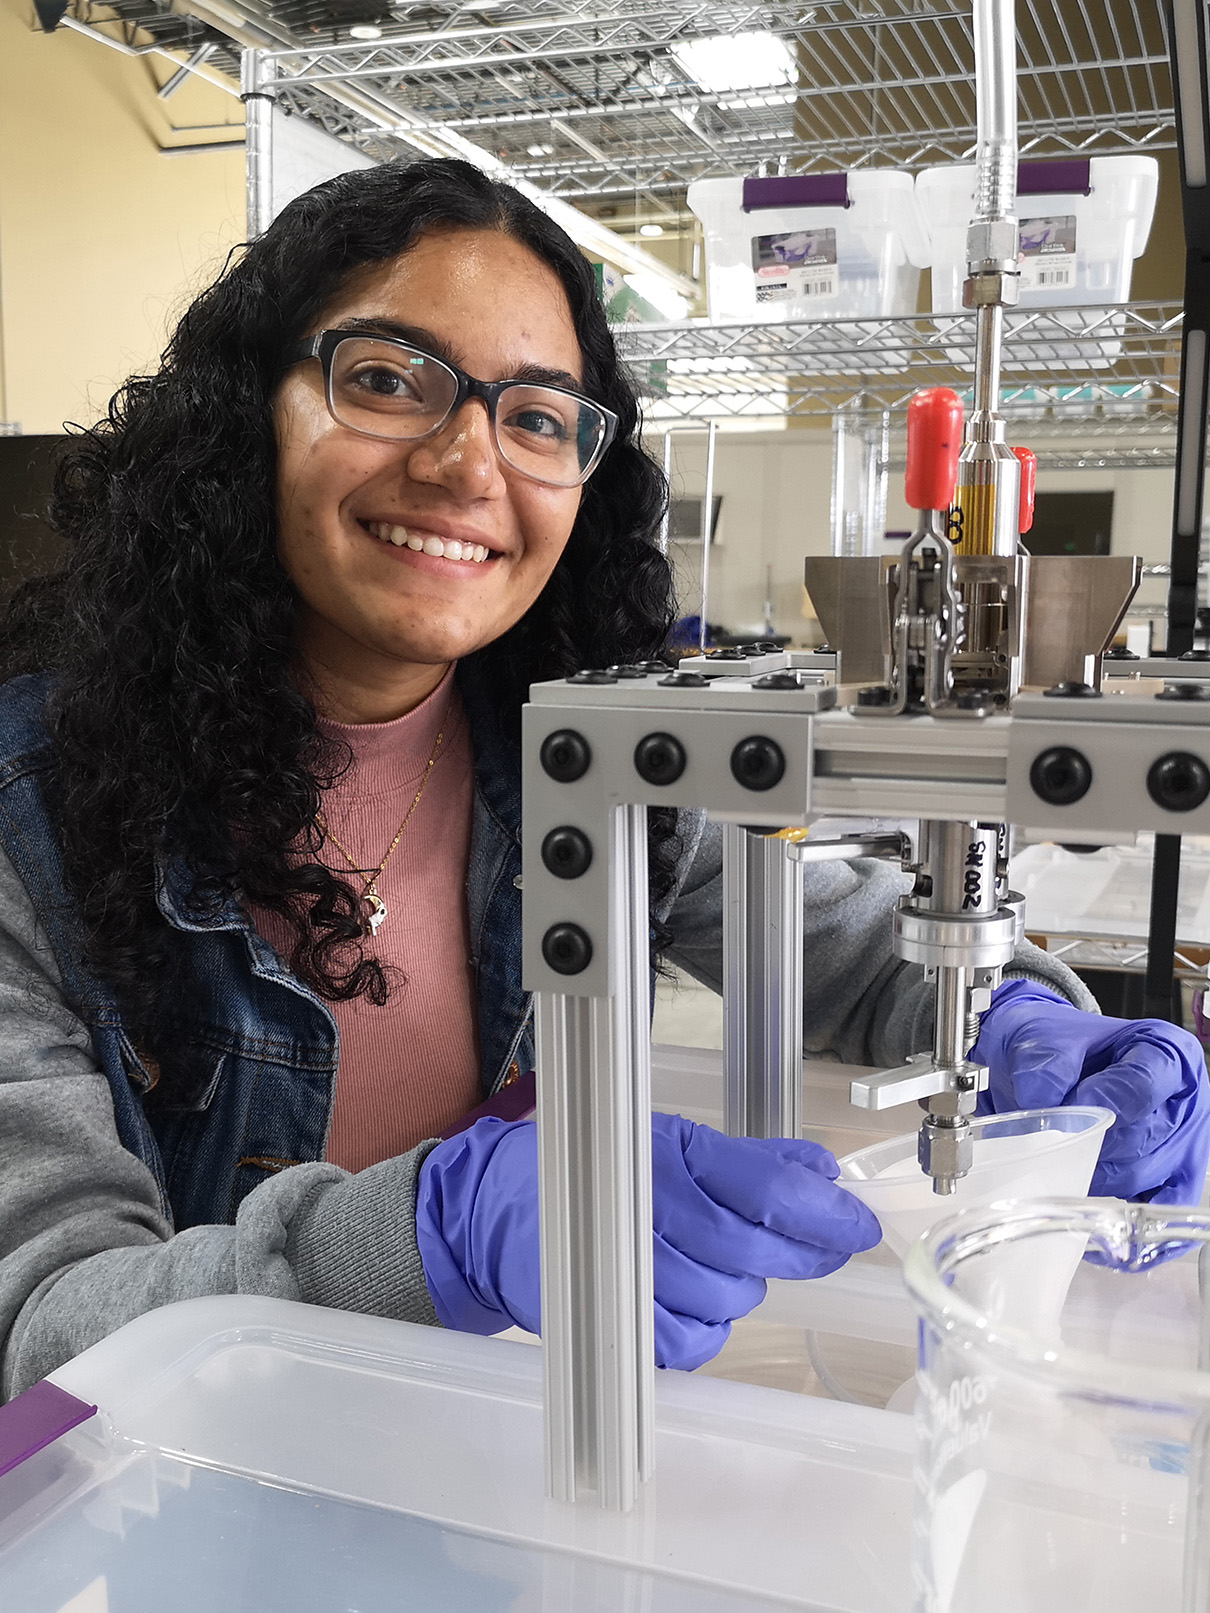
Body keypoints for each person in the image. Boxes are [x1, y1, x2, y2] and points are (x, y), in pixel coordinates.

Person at [0, 159, 1205, 1402]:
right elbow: (40, 1328)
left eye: (535, 416)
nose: (470, 463)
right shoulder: (27, 820)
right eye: (384, 379)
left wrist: (1023, 1022)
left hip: (449, 1451)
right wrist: (430, 1233)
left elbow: (831, 938)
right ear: (243, 412)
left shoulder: (562, 766)